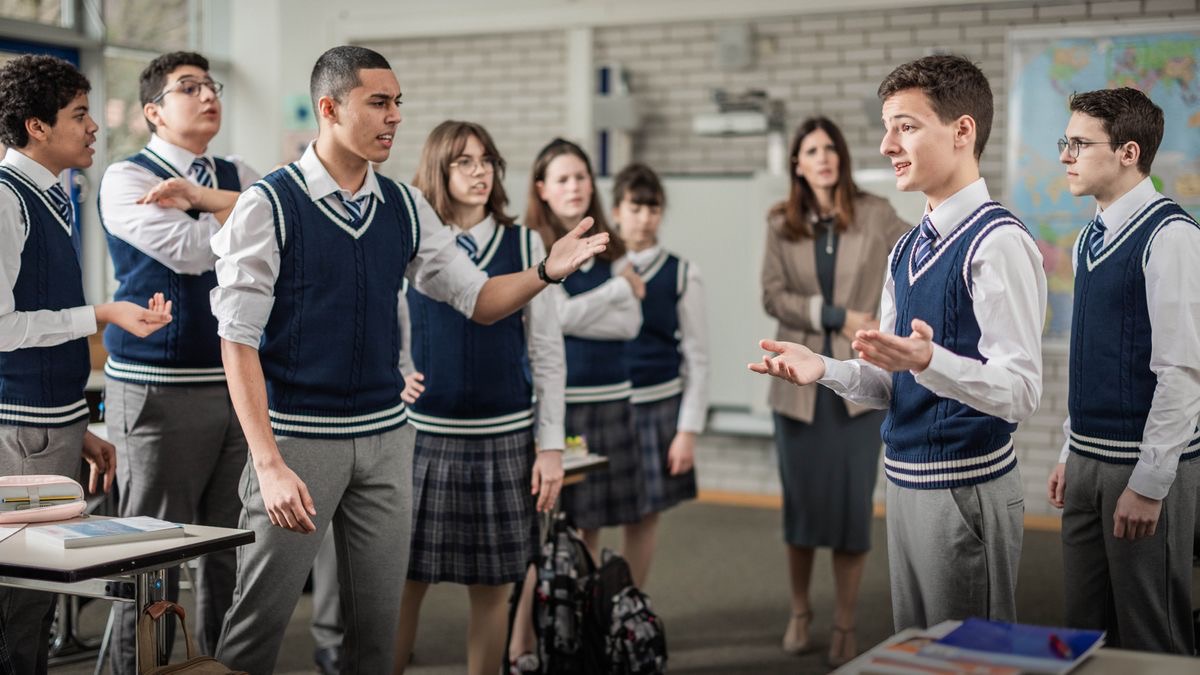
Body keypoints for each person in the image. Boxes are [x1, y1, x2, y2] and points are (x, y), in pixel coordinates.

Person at [209, 46, 606, 675]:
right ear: (330, 108)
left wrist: (543, 271)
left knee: (376, 631)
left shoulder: (404, 205)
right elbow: (237, 341)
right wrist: (269, 463)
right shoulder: (267, 205)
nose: (395, 117)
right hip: (297, 444)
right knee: (258, 625)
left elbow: (477, 299)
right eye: (379, 103)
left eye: (398, 104)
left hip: (390, 442)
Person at [750, 54, 1047, 632]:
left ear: (963, 132)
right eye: (887, 127)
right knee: (917, 651)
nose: (887, 146)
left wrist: (932, 361)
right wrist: (827, 369)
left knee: (969, 659)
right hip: (906, 484)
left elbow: (1020, 393)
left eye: (905, 126)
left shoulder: (998, 243)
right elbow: (889, 383)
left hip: (966, 487)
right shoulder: (906, 249)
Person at [0, 53, 171, 674]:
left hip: (49, 424)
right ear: (36, 127)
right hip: (21, 427)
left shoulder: (49, 194)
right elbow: (1, 330)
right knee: (18, 607)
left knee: (35, 607)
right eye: (79, 114)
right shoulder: (6, 200)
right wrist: (102, 314)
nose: (95, 125)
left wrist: (79, 430)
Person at [98, 51, 257, 672]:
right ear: (153, 112)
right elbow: (196, 253)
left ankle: (212, 665)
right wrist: (228, 211)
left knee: (229, 551)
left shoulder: (234, 170)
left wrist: (200, 194)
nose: (207, 95)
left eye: (210, 84)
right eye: (187, 88)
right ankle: (128, 668)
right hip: (157, 389)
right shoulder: (125, 178)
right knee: (148, 552)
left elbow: (281, 237)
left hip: (234, 385)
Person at [391, 120, 566, 675]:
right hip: (423, 440)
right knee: (403, 581)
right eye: (463, 162)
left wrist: (552, 445)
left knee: (493, 586)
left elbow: (547, 352)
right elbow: (383, 319)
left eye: (486, 160)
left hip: (504, 438)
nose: (479, 172)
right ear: (438, 171)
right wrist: (396, 369)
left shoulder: (525, 244)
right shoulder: (413, 241)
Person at [1045, 87, 1200, 653]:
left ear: (1128, 152)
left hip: (1143, 469)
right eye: (1067, 142)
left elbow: (1184, 373)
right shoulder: (1090, 235)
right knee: (1085, 634)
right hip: (1088, 461)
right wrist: (1069, 452)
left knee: (1151, 633)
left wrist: (1151, 484)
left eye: (1080, 143)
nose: (1066, 154)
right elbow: (1093, 355)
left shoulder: (1172, 236)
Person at [760, 117, 909, 665]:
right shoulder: (780, 222)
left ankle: (845, 624)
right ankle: (800, 612)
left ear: (842, 158)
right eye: (810, 150)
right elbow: (773, 295)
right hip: (794, 391)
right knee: (801, 511)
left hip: (856, 385)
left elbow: (924, 249)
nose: (822, 158)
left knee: (849, 512)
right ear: (796, 163)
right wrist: (836, 314)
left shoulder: (875, 215)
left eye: (830, 149)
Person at [507, 138, 642, 673]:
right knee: (542, 534)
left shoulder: (613, 250)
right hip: (554, 411)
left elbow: (628, 324)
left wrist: (586, 307)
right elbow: (555, 319)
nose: (574, 187)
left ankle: (577, 641)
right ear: (541, 188)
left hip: (609, 404)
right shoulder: (531, 247)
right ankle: (518, 647)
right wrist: (613, 294)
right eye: (562, 178)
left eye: (581, 177)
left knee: (589, 533)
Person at [613, 162, 709, 588]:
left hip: (658, 408)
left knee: (644, 515)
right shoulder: (596, 266)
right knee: (588, 514)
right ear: (616, 211)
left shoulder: (682, 272)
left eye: (652, 209)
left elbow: (697, 356)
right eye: (635, 208)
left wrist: (687, 431)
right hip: (605, 406)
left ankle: (628, 604)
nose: (644, 218)